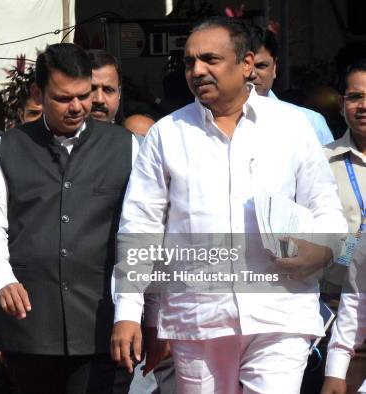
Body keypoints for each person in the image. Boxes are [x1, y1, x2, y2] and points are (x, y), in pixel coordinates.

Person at [111, 17, 347, 394]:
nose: (197, 70)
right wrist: (128, 311)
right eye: (189, 62)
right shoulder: (167, 135)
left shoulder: (291, 127)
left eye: (209, 59)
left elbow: (327, 210)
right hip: (198, 318)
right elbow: (141, 227)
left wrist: (319, 252)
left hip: (281, 313)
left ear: (247, 64)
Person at [0, 43, 138, 393]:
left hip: (101, 325)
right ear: (38, 92)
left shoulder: (126, 147)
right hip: (29, 326)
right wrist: (2, 281)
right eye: (64, 98)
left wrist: (136, 312)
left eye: (84, 94)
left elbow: (141, 230)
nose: (79, 106)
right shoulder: (8, 147)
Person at [321, 59, 366, 394]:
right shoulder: (321, 163)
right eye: (355, 97)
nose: (363, 106)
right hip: (340, 308)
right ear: (342, 104)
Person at [249, 26, 334, 145]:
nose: (252, 74)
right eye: (244, 65)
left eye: (261, 66)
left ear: (274, 67)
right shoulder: (214, 123)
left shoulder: (310, 123)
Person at [86, 49, 121, 123]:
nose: (99, 99)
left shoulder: (129, 134)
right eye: (90, 89)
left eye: (108, 90)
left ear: (119, 93)